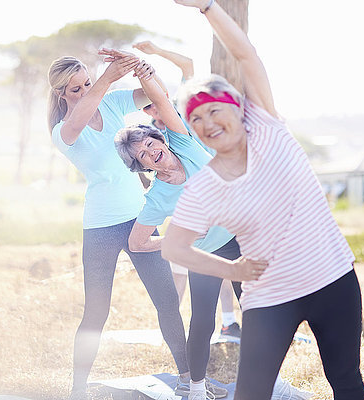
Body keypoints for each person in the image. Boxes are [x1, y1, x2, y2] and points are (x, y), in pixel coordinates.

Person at [162, 1, 364, 399]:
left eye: (213, 110)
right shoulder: (205, 185)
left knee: (345, 380)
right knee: (251, 393)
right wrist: (232, 271)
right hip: (271, 295)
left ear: (238, 109)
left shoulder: (268, 127)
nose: (206, 124)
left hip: (332, 278)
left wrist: (206, 6)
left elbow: (245, 54)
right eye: (196, 119)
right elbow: (174, 246)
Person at [47, 52, 190, 399]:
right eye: (75, 88)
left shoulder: (111, 103)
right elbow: (79, 120)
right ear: (62, 94)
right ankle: (78, 387)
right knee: (97, 311)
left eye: (86, 83)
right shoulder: (62, 131)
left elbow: (157, 95)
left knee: (167, 300)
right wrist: (107, 78)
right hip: (100, 227)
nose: (83, 91)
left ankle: (188, 378)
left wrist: (144, 70)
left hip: (140, 219)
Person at [113, 55, 241, 399]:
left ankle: (256, 376)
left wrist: (145, 72)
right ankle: (196, 389)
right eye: (142, 154)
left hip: (240, 238)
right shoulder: (157, 197)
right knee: (203, 321)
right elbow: (138, 243)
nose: (151, 150)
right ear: (141, 165)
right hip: (206, 253)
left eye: (151, 142)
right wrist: (173, 239)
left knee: (258, 310)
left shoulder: (184, 142)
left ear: (161, 139)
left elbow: (162, 103)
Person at [133, 41, 241, 337]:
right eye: (147, 109)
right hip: (190, 195)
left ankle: (229, 321)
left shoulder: (181, 107)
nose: (153, 110)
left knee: (227, 261)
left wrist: (155, 49)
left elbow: (188, 65)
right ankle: (176, 333)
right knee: (192, 273)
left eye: (154, 103)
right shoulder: (162, 135)